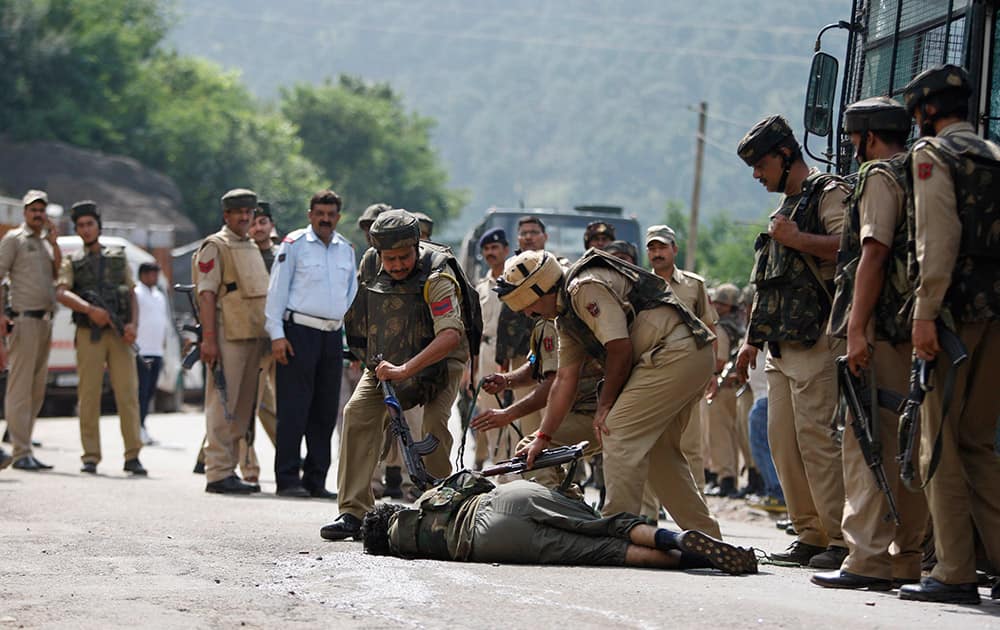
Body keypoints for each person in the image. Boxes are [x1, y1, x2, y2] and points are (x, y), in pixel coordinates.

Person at [502, 249, 722, 538]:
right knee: (660, 454)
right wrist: (542, 438)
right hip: (684, 355)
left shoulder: (583, 288)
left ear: (542, 287)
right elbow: (564, 380)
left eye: (529, 305)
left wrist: (605, 406)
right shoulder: (566, 316)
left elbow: (619, 349)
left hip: (674, 353)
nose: (530, 314)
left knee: (614, 428)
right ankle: (707, 537)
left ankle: (616, 532)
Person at [812, 96, 930, 592]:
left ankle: (865, 559)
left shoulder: (880, 175)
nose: (851, 146)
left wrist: (856, 329)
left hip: (882, 330)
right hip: (915, 326)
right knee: (907, 444)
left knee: (867, 442)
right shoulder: (923, 169)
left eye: (853, 136)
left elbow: (874, 253)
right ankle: (904, 560)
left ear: (869, 137)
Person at [894, 65, 1000, 605]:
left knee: (940, 443)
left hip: (953, 318)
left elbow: (937, 240)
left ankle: (955, 570)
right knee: (980, 443)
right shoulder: (994, 155)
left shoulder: (934, 155)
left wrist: (924, 313)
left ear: (925, 112)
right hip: (996, 314)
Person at [733, 115, 850, 570]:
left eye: (761, 165)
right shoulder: (783, 210)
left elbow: (852, 245)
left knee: (818, 442)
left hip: (818, 340)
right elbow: (768, 284)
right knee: (781, 442)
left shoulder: (828, 192)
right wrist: (749, 343)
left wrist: (799, 238)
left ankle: (841, 539)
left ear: (785, 155)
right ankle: (810, 533)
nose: (758, 176)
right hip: (780, 348)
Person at [322, 210, 472, 540]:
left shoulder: (438, 274)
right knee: (357, 413)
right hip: (388, 358)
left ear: (417, 246)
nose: (398, 265)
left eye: (405, 257)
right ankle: (353, 511)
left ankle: (439, 509)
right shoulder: (371, 265)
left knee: (432, 427)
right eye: (390, 259)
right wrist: (368, 359)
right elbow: (362, 314)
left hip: (440, 361)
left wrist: (406, 370)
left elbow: (450, 336)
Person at [357, 470, 757, 575]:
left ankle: (698, 561)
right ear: (391, 510)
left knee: (606, 552)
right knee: (605, 525)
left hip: (489, 540)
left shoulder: (406, 543)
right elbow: (472, 481)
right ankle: (674, 535)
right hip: (508, 497)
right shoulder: (424, 503)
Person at [265, 189, 357, 498]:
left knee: (325, 410)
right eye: (320, 214)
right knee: (293, 409)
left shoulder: (346, 249)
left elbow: (351, 298)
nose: (326, 219)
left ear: (338, 217)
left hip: (331, 337)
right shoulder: (293, 245)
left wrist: (351, 340)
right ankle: (288, 478)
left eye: (331, 215)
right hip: (297, 334)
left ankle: (316, 480)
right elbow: (276, 291)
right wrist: (277, 334)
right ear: (310, 215)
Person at [56, 201, 147, 476]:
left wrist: (132, 324)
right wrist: (89, 310)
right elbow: (61, 292)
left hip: (119, 334)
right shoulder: (72, 261)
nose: (85, 229)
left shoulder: (118, 256)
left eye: (89, 224)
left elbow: (132, 294)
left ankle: (133, 455)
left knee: (128, 394)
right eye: (80, 225)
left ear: (98, 225)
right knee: (89, 395)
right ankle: (91, 456)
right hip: (89, 333)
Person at [193, 188, 270, 494]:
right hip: (228, 337)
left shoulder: (249, 245)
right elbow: (207, 295)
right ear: (226, 215)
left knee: (243, 407)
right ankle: (217, 472)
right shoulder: (215, 246)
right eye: (237, 212)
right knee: (222, 403)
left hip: (254, 337)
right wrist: (209, 340)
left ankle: (231, 468)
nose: (243, 217)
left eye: (248, 212)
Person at [646, 224, 717, 491]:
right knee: (648, 442)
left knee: (690, 444)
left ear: (674, 249)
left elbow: (710, 328)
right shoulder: (639, 284)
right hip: (652, 371)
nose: (657, 253)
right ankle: (647, 515)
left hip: (689, 372)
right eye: (652, 248)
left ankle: (697, 513)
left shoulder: (694, 285)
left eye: (662, 247)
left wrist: (712, 371)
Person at [0, 190, 60, 471]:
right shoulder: (15, 240)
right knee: (20, 388)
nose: (37, 214)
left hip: (45, 321)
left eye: (41, 210)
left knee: (36, 391)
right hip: (23, 320)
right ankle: (21, 451)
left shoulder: (45, 243)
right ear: (25, 213)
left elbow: (58, 274)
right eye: (32, 210)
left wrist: (54, 241)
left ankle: (24, 446)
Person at [469, 227, 515, 469]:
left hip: (510, 352)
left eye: (495, 248)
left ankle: (506, 466)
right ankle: (493, 463)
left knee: (513, 409)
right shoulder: (481, 287)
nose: (490, 253)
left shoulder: (515, 280)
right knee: (488, 410)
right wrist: (472, 368)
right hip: (486, 352)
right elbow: (475, 332)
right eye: (486, 249)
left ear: (505, 250)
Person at [705, 283, 746, 498]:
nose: (717, 306)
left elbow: (719, 361)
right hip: (735, 387)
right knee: (732, 435)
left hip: (721, 388)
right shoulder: (738, 325)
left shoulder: (721, 328)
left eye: (721, 303)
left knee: (720, 435)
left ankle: (725, 479)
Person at [134, 261, 168, 446]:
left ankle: (142, 426)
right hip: (141, 350)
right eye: (151, 274)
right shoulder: (137, 294)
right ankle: (136, 427)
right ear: (143, 275)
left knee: (149, 393)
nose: (154, 277)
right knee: (141, 392)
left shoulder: (159, 296)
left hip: (156, 351)